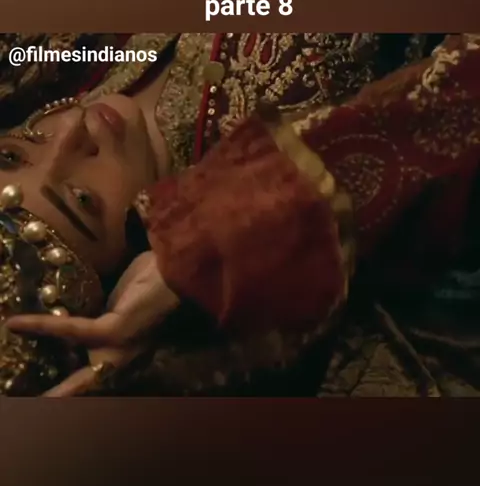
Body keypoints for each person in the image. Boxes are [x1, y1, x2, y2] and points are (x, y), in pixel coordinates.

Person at [4, 31, 479, 398]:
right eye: (83, 200)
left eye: (11, 156)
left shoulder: (42, 61)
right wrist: (218, 235)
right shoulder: (282, 188)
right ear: (130, 280)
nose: (71, 128)